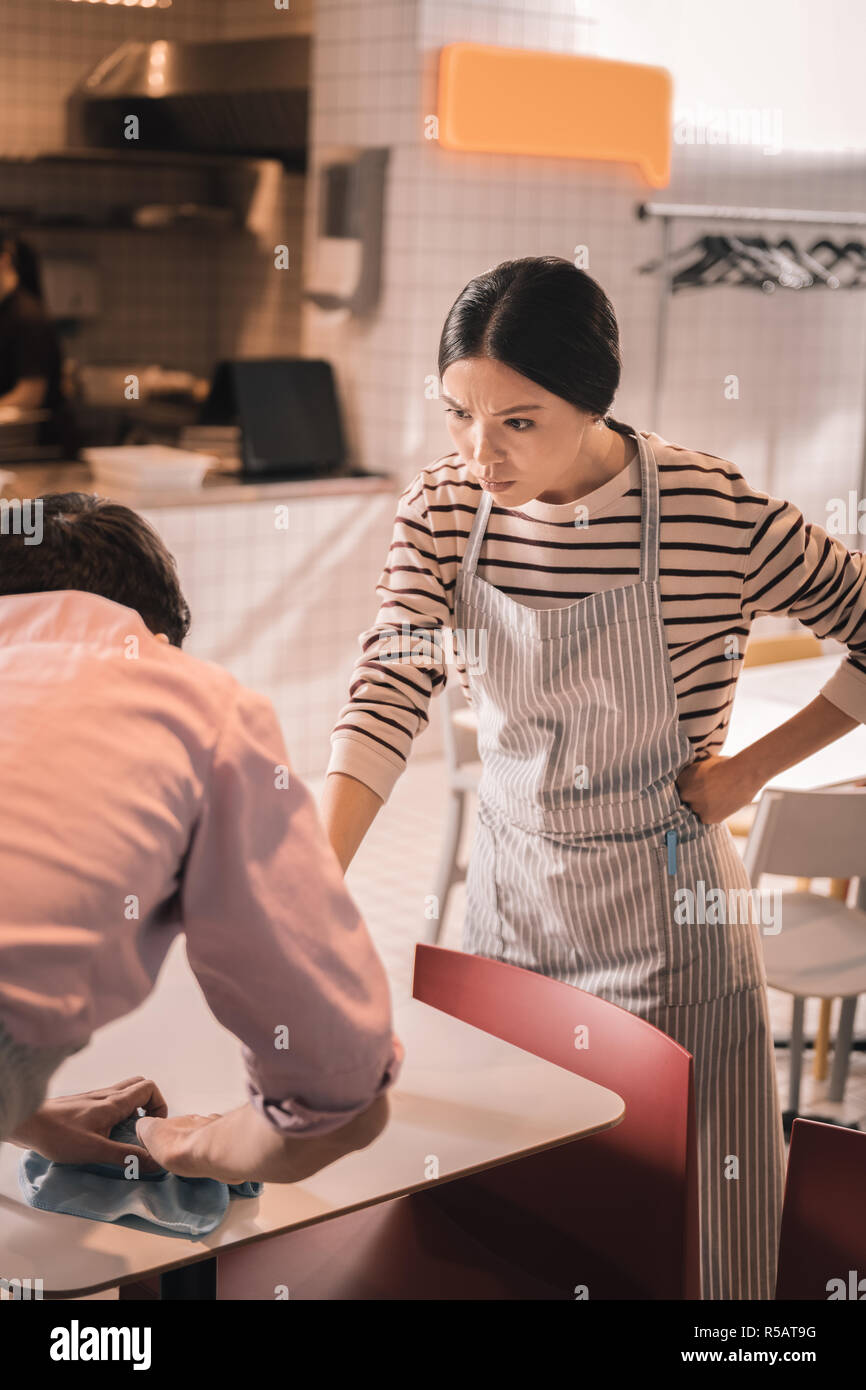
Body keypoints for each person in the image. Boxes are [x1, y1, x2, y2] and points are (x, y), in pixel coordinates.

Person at [320, 256, 866, 1300]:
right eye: (457, 415)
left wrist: (747, 772)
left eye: (517, 422)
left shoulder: (711, 512)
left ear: (592, 401)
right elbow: (390, 685)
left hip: (667, 924)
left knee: (695, 1224)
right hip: (512, 907)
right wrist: (312, 880)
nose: (480, 454)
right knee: (525, 1210)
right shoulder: (444, 507)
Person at [0, 493, 402, 1183]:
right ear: (156, 641)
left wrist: (23, 1115)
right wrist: (181, 1145)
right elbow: (342, 1095)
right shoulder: (197, 707)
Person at [0, 237, 67, 446]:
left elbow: (30, 395)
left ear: (3, 260)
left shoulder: (28, 317)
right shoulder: (5, 311)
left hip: (37, 444)